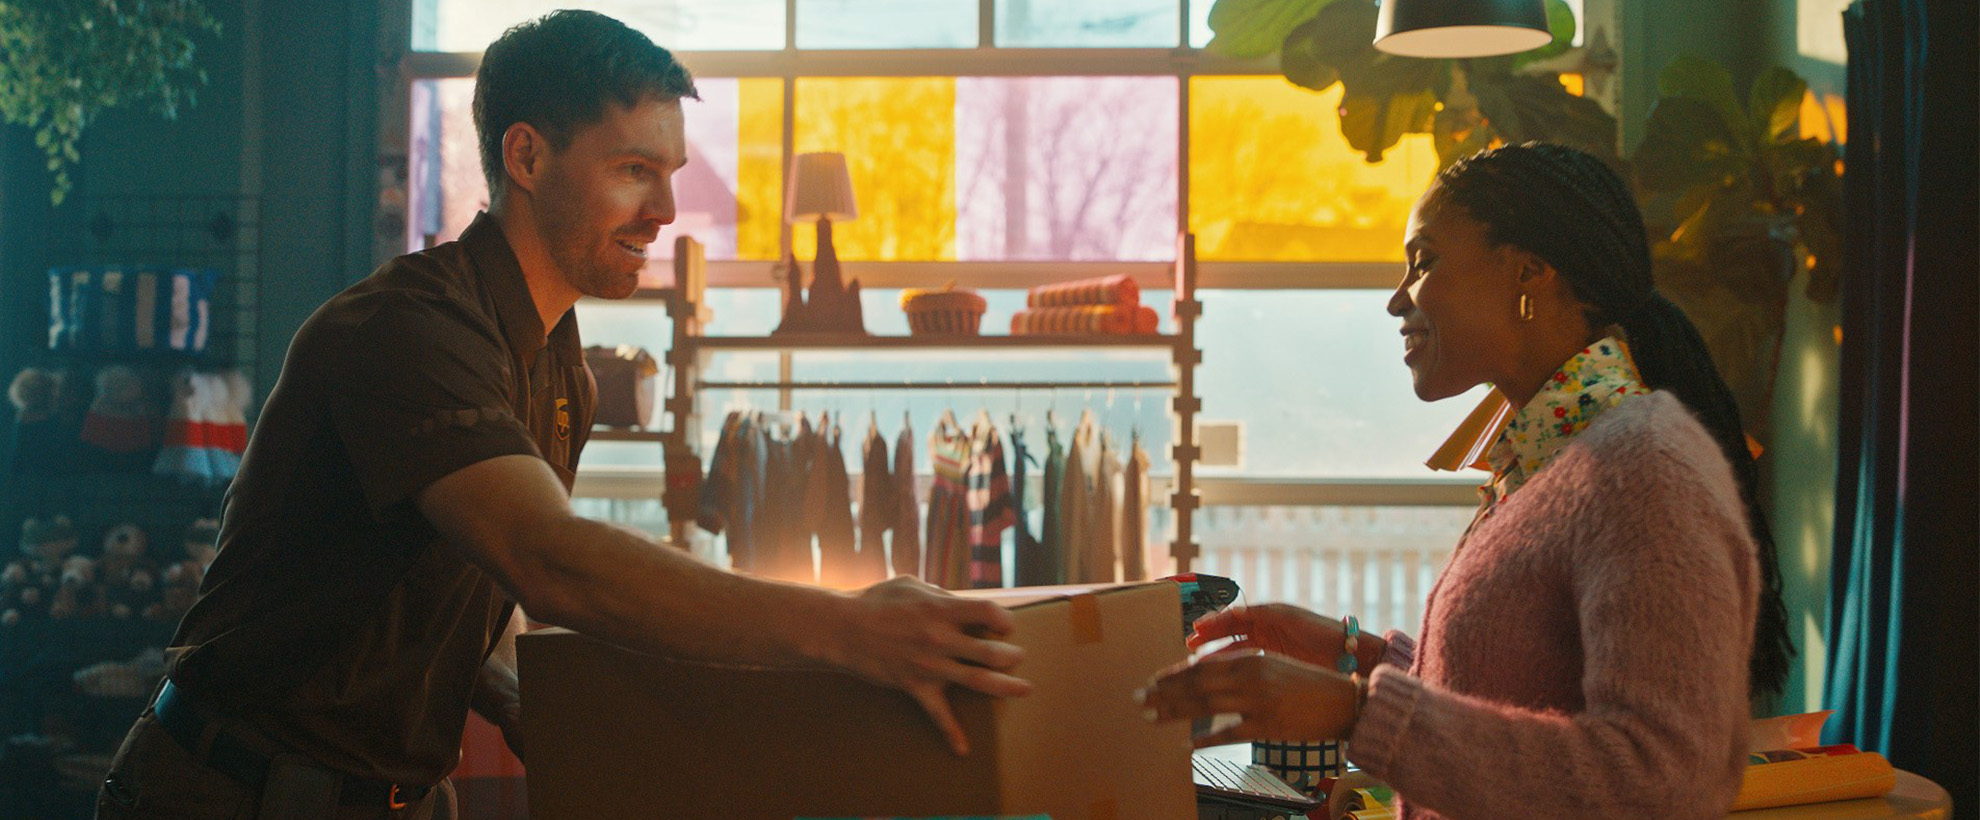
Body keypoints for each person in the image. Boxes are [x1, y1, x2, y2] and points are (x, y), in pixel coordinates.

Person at [94, 11, 1029, 820]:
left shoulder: (558, 362)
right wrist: (850, 628)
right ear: (527, 155)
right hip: (231, 797)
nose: (665, 209)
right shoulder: (407, 328)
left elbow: (463, 579)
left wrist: (504, 690)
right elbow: (547, 559)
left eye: (670, 173)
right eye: (633, 169)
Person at [1139, 143, 1794, 819]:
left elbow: (1660, 780)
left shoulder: (1644, 472)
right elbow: (1529, 689)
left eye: (1423, 261)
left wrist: (1355, 710)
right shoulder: (1557, 461)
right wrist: (1359, 655)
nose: (1397, 299)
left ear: (1529, 272)